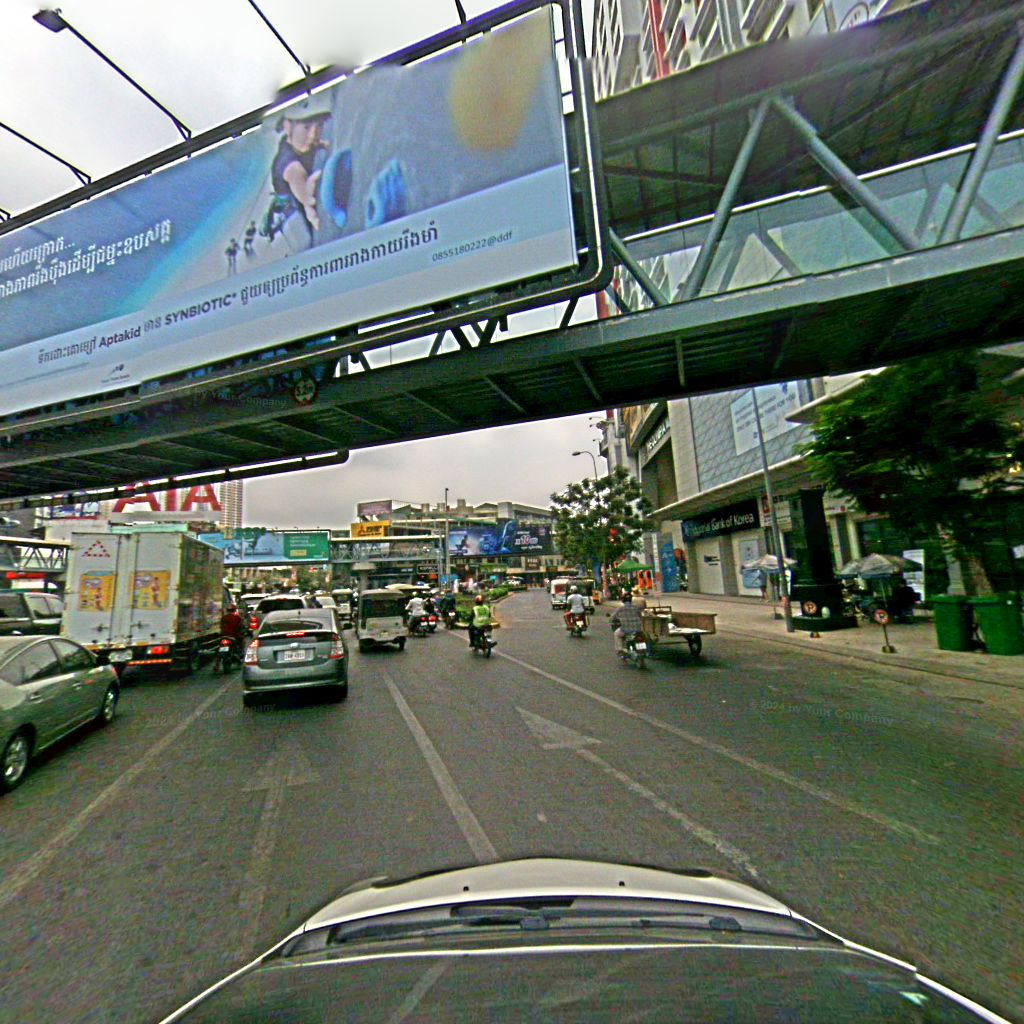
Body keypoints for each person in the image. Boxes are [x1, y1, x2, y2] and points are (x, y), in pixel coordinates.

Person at [265, 100, 331, 249]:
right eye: (306, 127)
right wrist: (307, 198)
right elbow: (295, 175)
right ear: (288, 126)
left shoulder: (302, 144)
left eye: (319, 125)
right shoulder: (286, 161)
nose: (313, 134)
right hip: (291, 211)